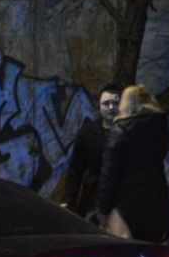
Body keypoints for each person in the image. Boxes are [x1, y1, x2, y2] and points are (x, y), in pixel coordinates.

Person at [96, 84, 169, 243]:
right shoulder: (160, 128)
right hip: (156, 201)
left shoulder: (119, 130)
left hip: (125, 205)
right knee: (151, 250)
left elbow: (110, 174)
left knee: (123, 251)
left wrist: (103, 208)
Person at [52, 83, 122, 218]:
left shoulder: (128, 133)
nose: (111, 107)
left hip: (120, 199)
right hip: (93, 198)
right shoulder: (88, 132)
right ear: (99, 106)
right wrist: (68, 201)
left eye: (115, 103)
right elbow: (76, 169)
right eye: (106, 103)